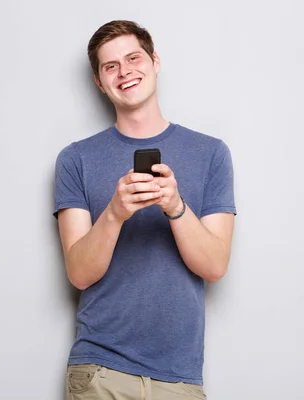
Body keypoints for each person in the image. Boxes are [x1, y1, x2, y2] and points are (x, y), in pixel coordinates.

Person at [53, 20, 236, 400]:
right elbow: (80, 273)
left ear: (154, 61)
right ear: (99, 83)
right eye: (110, 66)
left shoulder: (211, 153)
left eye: (133, 57)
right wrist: (115, 213)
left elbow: (215, 266)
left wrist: (176, 207)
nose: (125, 72)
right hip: (100, 372)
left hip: (179, 377)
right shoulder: (75, 159)